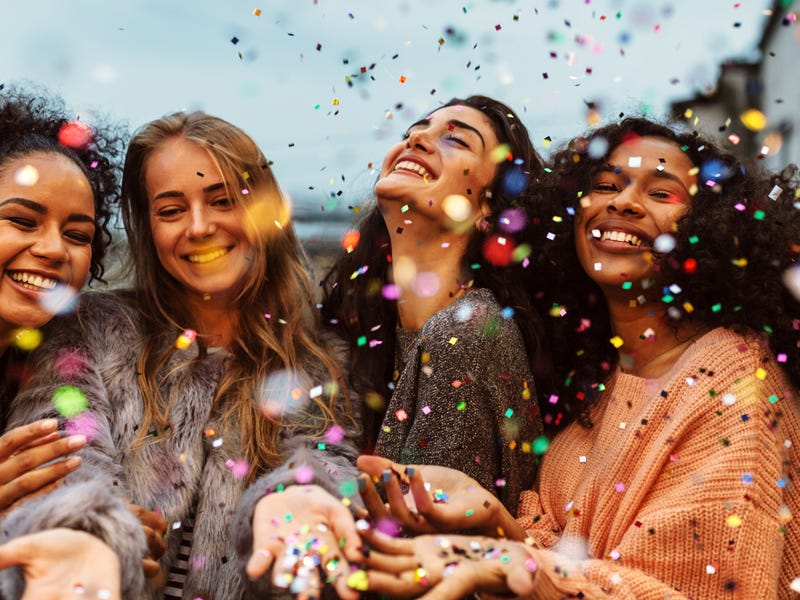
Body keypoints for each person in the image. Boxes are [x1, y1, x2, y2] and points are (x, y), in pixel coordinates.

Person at [353, 117, 800, 598]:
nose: (622, 202)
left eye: (661, 193)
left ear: (713, 230)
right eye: (606, 185)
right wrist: (494, 520)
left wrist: (508, 558)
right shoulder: (601, 383)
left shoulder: (735, 388)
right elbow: (574, 562)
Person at [7, 111, 363, 600]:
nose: (199, 227)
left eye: (222, 201)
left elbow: (321, 459)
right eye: (171, 210)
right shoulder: (90, 329)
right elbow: (62, 459)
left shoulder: (320, 359)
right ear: (147, 227)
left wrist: (301, 500)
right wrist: (85, 534)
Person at [321, 96, 546, 513]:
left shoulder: (466, 333)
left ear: (487, 207)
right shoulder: (374, 332)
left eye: (456, 141)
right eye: (413, 132)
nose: (418, 138)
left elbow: (426, 547)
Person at [0, 85, 140, 599]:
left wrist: (113, 534)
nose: (54, 249)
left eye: (78, 235)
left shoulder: (51, 362)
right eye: (21, 220)